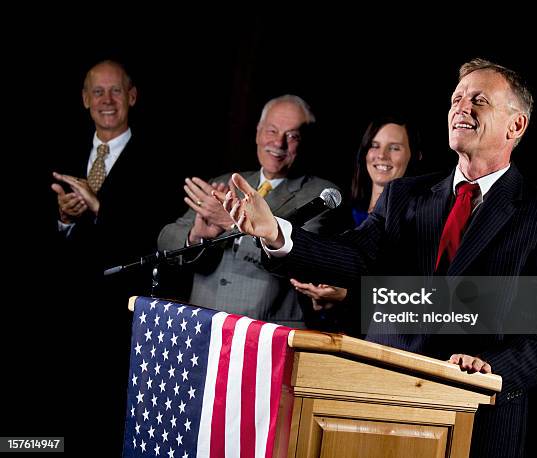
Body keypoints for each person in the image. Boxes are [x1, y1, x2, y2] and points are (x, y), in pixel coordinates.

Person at [217, 59, 537, 457]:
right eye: (457, 98)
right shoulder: (403, 196)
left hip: (477, 425)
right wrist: (275, 233)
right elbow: (353, 256)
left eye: (479, 100)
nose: (462, 108)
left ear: (516, 126)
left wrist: (492, 370)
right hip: (378, 411)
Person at [50, 59, 182, 455]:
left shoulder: (162, 160)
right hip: (61, 321)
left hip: (117, 326)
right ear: (84, 99)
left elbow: (161, 237)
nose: (107, 100)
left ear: (132, 96)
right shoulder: (61, 152)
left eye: (116, 91)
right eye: (97, 91)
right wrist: (62, 219)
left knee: (101, 430)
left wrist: (100, 209)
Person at [158, 94, 342, 327]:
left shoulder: (320, 194)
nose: (278, 143)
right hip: (204, 324)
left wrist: (233, 223)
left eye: (292, 136)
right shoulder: (226, 182)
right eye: (272, 131)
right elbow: (166, 239)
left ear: (304, 142)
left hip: (266, 334)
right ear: (257, 132)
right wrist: (195, 236)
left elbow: (303, 264)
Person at [290, 116, 421, 333]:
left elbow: (418, 304)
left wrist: (347, 297)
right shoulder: (338, 216)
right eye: (375, 146)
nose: (381, 155)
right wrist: (315, 294)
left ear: (415, 156)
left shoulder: (420, 224)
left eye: (394, 148)